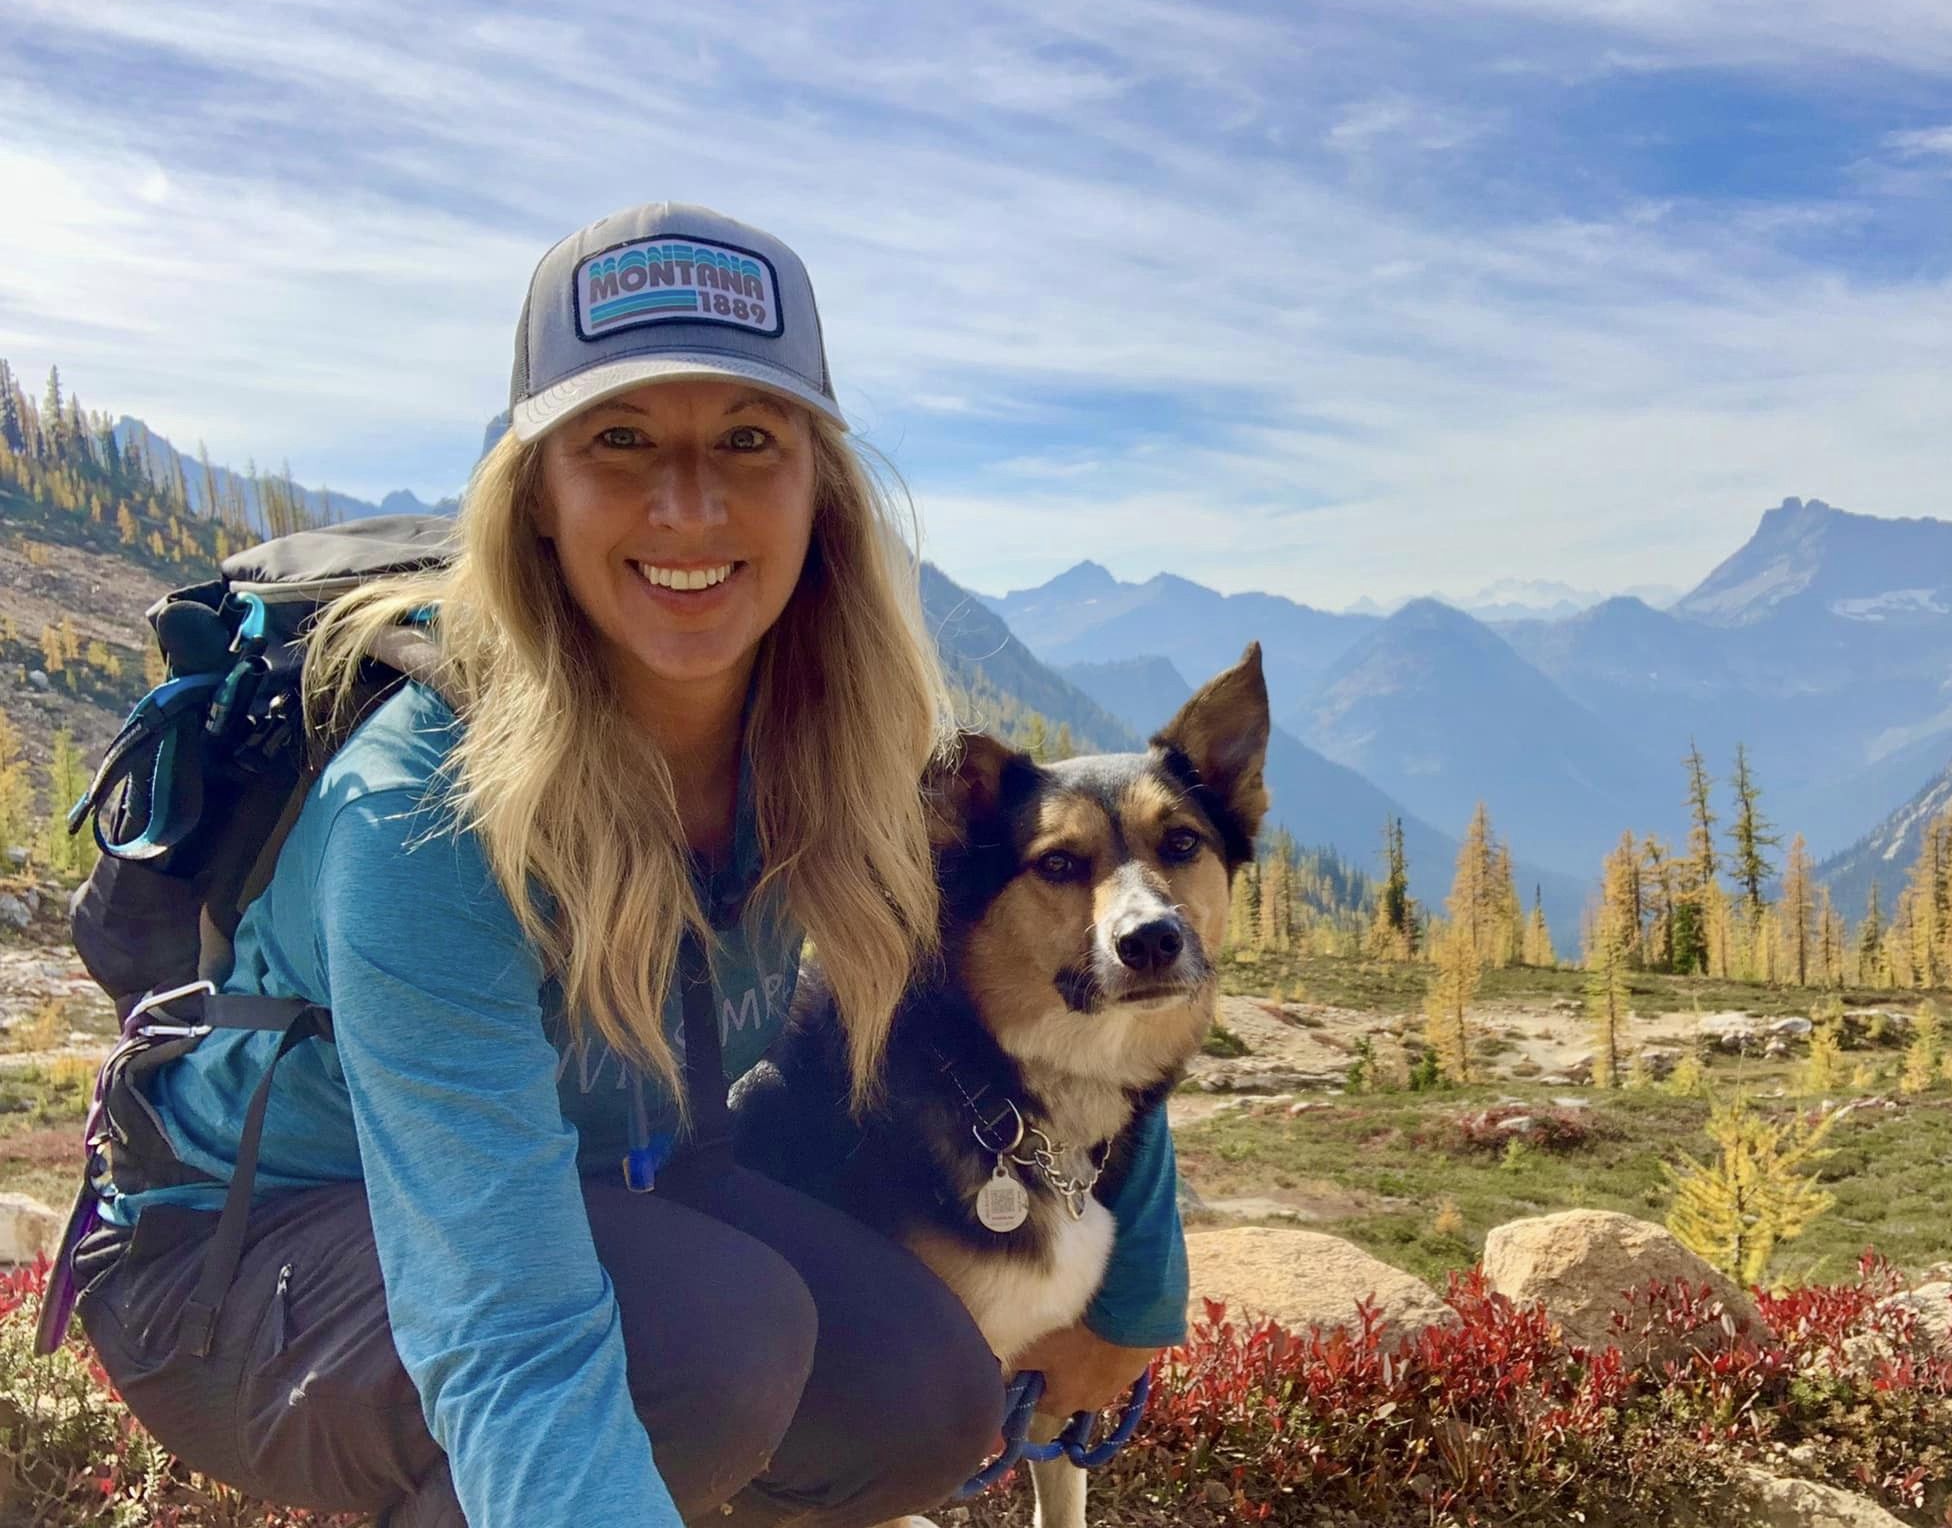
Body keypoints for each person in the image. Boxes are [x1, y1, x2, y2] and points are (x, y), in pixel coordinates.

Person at [69, 202, 1189, 1528]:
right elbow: (509, 1333)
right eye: (620, 440)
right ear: (538, 496)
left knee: (918, 1397)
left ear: (817, 488)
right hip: (243, 1256)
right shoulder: (426, 809)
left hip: (604, 1181)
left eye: (748, 439)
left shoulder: (835, 742)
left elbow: (1057, 973)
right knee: (710, 1350)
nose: (691, 502)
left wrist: (1135, 1291)